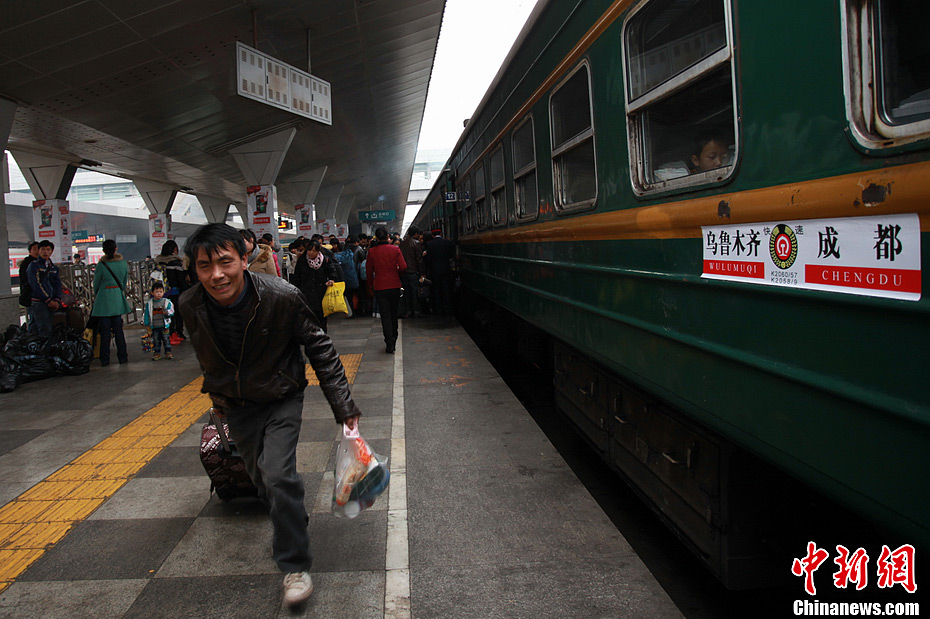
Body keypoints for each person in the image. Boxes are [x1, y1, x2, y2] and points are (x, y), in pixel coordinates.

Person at [178, 223, 361, 607]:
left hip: (281, 396)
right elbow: (208, 355)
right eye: (205, 266)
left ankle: (295, 565)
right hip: (237, 406)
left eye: (225, 262)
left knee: (277, 474)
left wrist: (344, 407)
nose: (217, 275)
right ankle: (290, 514)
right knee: (263, 482)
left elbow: (321, 349)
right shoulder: (191, 304)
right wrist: (217, 396)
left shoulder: (282, 296)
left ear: (244, 259)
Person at [91, 239, 132, 366]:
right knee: (119, 330)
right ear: (116, 249)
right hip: (117, 298)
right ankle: (123, 357)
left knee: (105, 332)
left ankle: (105, 359)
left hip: (104, 299)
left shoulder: (101, 265)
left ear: (103, 250)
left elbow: (96, 284)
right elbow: (124, 282)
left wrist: (99, 294)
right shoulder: (123, 264)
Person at [366, 227, 407, 353]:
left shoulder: (372, 251)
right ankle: (394, 337)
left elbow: (369, 272)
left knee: (385, 316)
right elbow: (403, 267)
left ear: (377, 238)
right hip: (394, 285)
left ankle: (389, 344)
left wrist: (370, 286)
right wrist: (396, 273)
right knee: (393, 314)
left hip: (380, 287)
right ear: (388, 236)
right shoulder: (395, 249)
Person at [292, 239, 338, 332]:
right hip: (306, 293)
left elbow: (332, 271)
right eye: (309, 250)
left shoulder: (325, 259)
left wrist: (331, 279)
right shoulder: (302, 260)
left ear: (318, 251)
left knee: (321, 317)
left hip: (321, 292)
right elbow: (297, 276)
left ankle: (323, 335)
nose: (311, 253)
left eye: (314, 251)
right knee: (309, 318)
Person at [155, 240, 189, 342]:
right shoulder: (176, 263)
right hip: (175, 292)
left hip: (162, 293)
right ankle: (178, 332)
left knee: (165, 313)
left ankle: (168, 332)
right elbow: (181, 281)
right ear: (175, 249)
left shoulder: (158, 262)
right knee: (177, 313)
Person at [26, 240, 61, 338]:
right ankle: (42, 346)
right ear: (39, 251)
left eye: (48, 249)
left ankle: (38, 344)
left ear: (51, 251)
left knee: (45, 326)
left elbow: (57, 284)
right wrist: (48, 300)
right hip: (39, 302)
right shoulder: (34, 266)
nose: (45, 252)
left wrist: (57, 299)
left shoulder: (53, 267)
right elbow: (35, 284)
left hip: (52, 302)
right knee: (44, 329)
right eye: (42, 249)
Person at [425, 229, 455, 315]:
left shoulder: (429, 244)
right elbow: (451, 255)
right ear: (441, 233)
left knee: (436, 289)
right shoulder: (447, 242)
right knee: (446, 289)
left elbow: (428, 258)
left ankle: (438, 308)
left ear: (432, 235)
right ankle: (447, 308)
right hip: (446, 269)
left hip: (434, 270)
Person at [144, 281, 175, 360]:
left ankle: (168, 352)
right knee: (156, 340)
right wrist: (146, 323)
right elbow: (147, 313)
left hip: (164, 326)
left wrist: (167, 313)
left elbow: (172, 311)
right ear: (152, 293)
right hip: (154, 326)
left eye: (161, 292)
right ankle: (157, 353)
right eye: (157, 292)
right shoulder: (149, 303)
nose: (159, 294)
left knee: (166, 339)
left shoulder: (166, 302)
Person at [398, 227, 424, 318]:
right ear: (416, 234)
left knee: (406, 292)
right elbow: (419, 259)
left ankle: (408, 311)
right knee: (414, 291)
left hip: (404, 271)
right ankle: (416, 311)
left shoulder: (402, 244)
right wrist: (422, 272)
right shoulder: (416, 243)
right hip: (413, 271)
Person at [18, 242, 39, 332]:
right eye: (34, 249)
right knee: (34, 320)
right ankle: (32, 337)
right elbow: (28, 281)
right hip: (31, 296)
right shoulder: (27, 264)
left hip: (40, 296)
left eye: (38, 249)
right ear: (30, 251)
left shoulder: (44, 262)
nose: (37, 251)